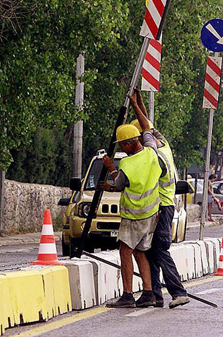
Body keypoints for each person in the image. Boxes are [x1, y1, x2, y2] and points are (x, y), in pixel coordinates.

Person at [128, 90, 189, 309]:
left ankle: (177, 291)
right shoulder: (163, 144)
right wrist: (139, 103)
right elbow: (148, 126)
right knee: (150, 250)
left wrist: (135, 104)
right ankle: (153, 294)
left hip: (162, 208)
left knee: (160, 249)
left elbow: (145, 128)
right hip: (162, 207)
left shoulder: (153, 155)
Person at [98, 123, 161, 308]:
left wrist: (111, 167)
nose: (122, 150)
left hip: (134, 214)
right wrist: (136, 101)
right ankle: (148, 293)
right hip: (151, 214)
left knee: (125, 251)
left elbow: (119, 184)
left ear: (128, 144)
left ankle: (127, 295)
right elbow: (148, 130)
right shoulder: (151, 151)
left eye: (122, 146)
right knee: (140, 251)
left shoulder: (127, 164)